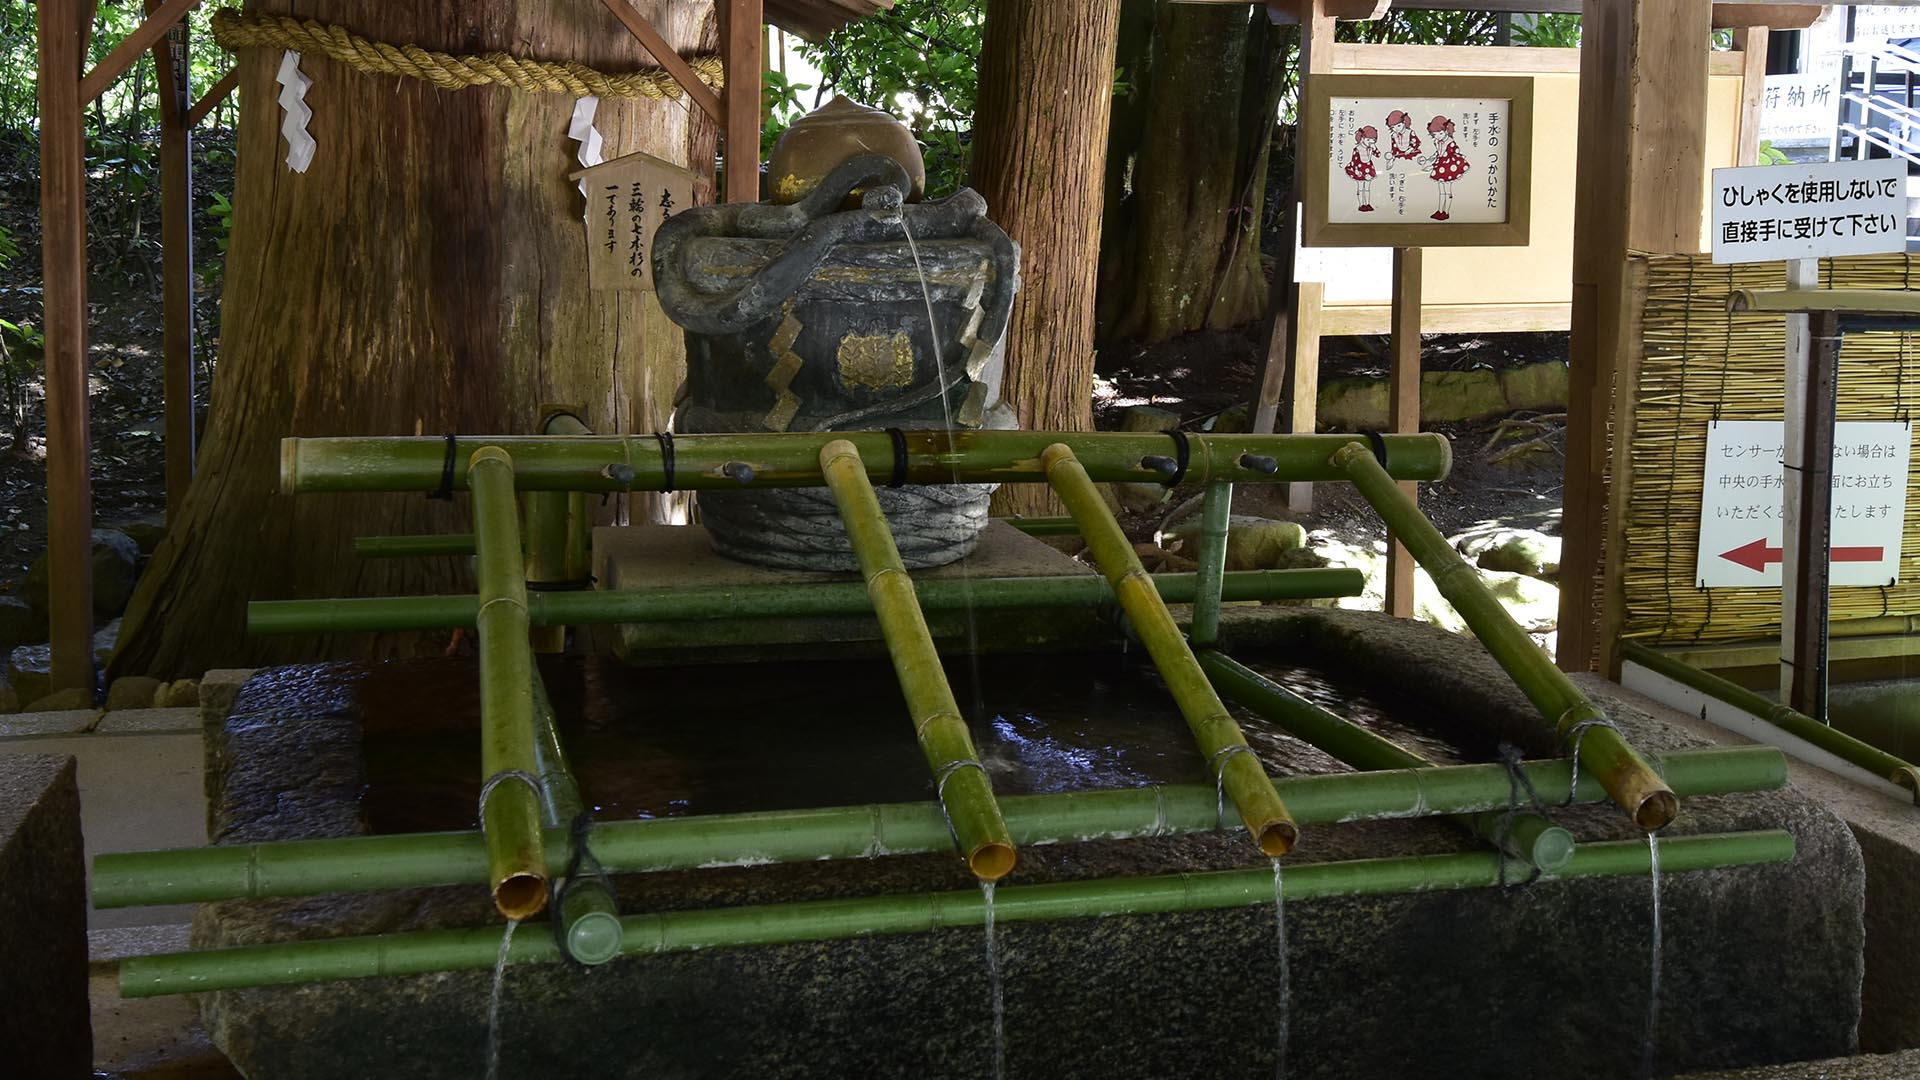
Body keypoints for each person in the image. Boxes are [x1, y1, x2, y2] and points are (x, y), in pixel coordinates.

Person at [1419, 115, 1470, 220]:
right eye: (1434, 134)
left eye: (1440, 133)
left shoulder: (1450, 142)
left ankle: (1446, 211)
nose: (1437, 136)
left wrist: (1459, 156)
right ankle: (1440, 210)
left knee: (1447, 190)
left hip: (1449, 166)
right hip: (1440, 165)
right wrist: (1429, 161)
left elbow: (1456, 153)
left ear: (1446, 131)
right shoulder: (1437, 142)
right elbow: (1437, 153)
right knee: (1441, 190)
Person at [1344, 125, 1380, 212]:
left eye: (1373, 140)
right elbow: (1354, 160)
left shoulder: (1371, 148)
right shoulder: (1357, 149)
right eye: (1368, 140)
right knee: (1360, 187)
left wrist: (1375, 148)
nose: (1370, 142)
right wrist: (1356, 170)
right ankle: (1361, 205)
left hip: (1368, 168)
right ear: (1362, 138)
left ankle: (1367, 203)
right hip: (1359, 168)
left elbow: (1378, 155)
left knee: (1367, 188)